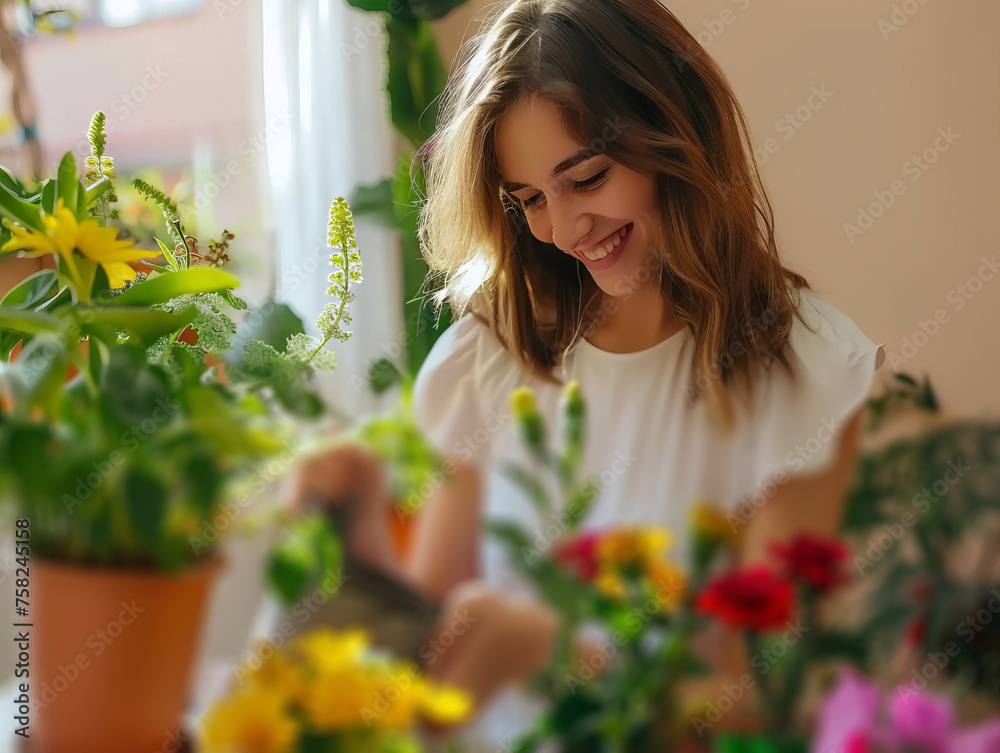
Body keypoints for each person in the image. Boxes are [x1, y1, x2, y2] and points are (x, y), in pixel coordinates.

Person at [289, 0, 886, 748]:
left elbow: (760, 708)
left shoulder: (804, 373)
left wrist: (554, 650)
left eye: (589, 177)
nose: (565, 230)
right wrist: (362, 540)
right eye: (530, 199)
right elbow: (430, 668)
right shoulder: (495, 353)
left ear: (676, 133)